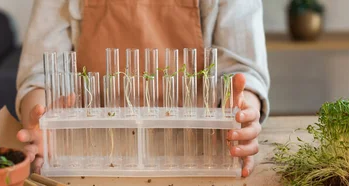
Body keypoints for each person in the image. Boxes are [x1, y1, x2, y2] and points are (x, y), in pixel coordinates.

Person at [15, 0, 270, 177]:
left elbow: (242, 68)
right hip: (88, 156)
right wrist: (43, 118)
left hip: (197, 152)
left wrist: (242, 110)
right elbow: (42, 71)